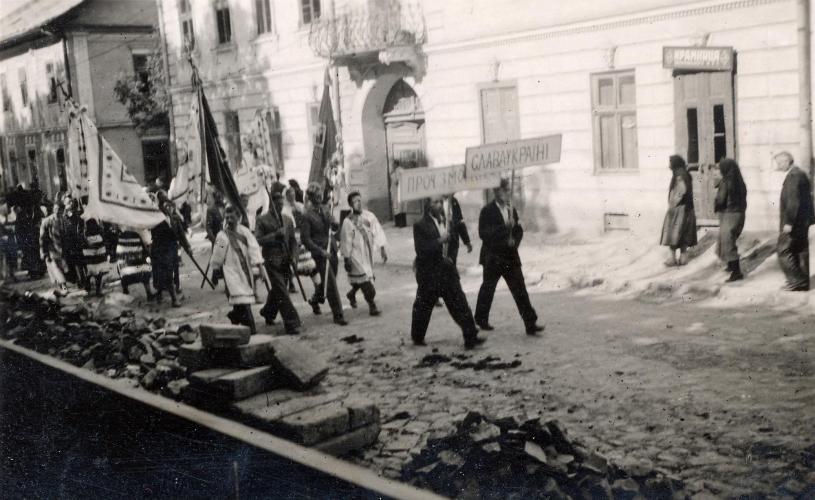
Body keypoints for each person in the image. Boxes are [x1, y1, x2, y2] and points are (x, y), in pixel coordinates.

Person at [411, 195, 485, 349]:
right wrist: (439, 241)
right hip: (429, 274)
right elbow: (421, 250)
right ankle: (417, 336)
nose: (439, 205)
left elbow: (453, 242)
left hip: (446, 271)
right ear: (428, 204)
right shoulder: (420, 225)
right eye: (435, 202)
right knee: (423, 306)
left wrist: (451, 257)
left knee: (459, 302)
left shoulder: (447, 221)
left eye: (440, 202)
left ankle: (470, 335)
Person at [474, 178, 544, 336]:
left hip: (509, 256)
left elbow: (518, 230)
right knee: (488, 289)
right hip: (493, 257)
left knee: (520, 289)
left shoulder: (511, 210)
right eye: (504, 190)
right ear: (496, 191)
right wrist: (503, 227)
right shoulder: (487, 211)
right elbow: (483, 234)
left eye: (508, 190)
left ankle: (530, 323)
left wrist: (514, 242)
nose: (507, 193)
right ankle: (481, 319)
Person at [210, 204, 265, 335]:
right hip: (231, 272)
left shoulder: (245, 232)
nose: (229, 220)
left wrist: (260, 266)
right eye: (227, 217)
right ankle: (250, 329)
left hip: (245, 270)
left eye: (232, 217)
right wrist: (216, 269)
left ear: (238, 217)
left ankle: (235, 317)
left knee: (243, 299)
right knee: (241, 300)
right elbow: (217, 254)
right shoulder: (221, 236)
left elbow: (254, 248)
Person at [300, 182, 348, 325]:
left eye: (320, 194)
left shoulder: (326, 208)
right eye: (316, 195)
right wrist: (320, 251)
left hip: (331, 247)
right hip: (320, 252)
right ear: (311, 197)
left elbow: (333, 227)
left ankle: (315, 299)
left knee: (329, 279)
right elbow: (306, 239)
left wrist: (335, 224)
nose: (319, 197)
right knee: (331, 283)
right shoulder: (307, 216)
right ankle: (338, 315)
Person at [254, 191, 302, 335]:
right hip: (271, 260)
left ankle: (268, 312)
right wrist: (275, 235)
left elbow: (293, 242)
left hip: (286, 260)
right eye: (277, 204)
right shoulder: (262, 220)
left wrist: (294, 257)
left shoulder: (287, 219)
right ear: (271, 204)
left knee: (278, 290)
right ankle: (291, 323)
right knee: (282, 290)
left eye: (282, 204)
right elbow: (258, 240)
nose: (280, 207)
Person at [340, 191, 387, 315]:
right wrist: (347, 258)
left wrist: (382, 249)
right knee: (367, 283)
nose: (358, 203)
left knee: (363, 279)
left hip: (367, 253)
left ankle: (351, 294)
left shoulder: (370, 216)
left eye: (359, 200)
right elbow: (346, 241)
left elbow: (378, 231)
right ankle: (372, 306)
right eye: (355, 201)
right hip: (355, 255)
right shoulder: (348, 222)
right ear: (350, 204)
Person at [775, 151, 815, 291]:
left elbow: (793, 202)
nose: (778, 166)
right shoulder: (800, 174)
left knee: (783, 250)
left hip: (794, 222)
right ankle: (803, 282)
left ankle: (796, 281)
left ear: (787, 161)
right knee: (800, 250)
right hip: (803, 221)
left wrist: (789, 223)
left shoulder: (792, 176)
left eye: (779, 163)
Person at [151, 200, 190, 307]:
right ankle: (174, 299)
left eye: (169, 206)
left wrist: (187, 247)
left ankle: (160, 293)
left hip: (172, 250)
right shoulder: (156, 220)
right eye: (165, 206)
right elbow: (154, 236)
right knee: (166, 273)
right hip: (160, 250)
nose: (168, 208)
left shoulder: (175, 219)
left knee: (170, 271)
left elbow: (181, 235)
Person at [660, 155, 698, 266]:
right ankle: (683, 257)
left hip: (679, 209)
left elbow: (682, 190)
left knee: (673, 232)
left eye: (670, 163)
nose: (669, 165)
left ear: (675, 164)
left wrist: (673, 203)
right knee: (684, 233)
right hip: (688, 208)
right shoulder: (685, 173)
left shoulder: (679, 175)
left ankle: (672, 258)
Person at [714, 158, 747, 282]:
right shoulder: (740, 181)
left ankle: (736, 273)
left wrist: (716, 205)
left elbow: (721, 200)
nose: (719, 171)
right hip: (739, 215)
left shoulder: (726, 182)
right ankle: (730, 266)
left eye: (720, 168)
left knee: (727, 243)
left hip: (729, 214)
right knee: (729, 240)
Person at [39, 198, 68, 295]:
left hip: (63, 249)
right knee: (56, 268)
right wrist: (43, 252)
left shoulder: (64, 220)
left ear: (62, 210)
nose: (57, 211)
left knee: (61, 268)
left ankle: (62, 286)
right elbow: (42, 238)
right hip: (51, 249)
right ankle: (64, 286)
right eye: (55, 209)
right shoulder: (47, 221)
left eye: (59, 209)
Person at [116, 227, 155, 299]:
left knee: (120, 268)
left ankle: (125, 291)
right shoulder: (136, 235)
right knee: (145, 269)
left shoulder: (121, 237)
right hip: (138, 266)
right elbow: (144, 251)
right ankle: (148, 293)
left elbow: (119, 254)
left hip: (125, 268)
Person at [61, 196, 88, 288]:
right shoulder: (64, 215)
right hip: (69, 243)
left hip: (78, 241)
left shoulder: (76, 213)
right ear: (64, 203)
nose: (71, 203)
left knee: (82, 262)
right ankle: (81, 281)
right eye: (68, 202)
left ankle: (84, 280)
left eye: (71, 202)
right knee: (75, 263)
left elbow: (81, 225)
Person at [83, 217, 110, 296]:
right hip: (99, 258)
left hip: (90, 259)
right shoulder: (99, 235)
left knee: (89, 273)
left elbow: (84, 248)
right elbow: (103, 245)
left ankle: (87, 288)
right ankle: (98, 290)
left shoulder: (86, 235)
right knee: (98, 275)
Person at [0, 201, 18, 282]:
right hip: (3, 238)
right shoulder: (1, 215)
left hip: (11, 238)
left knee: (12, 256)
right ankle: (3, 276)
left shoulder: (12, 213)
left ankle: (12, 274)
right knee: (4, 257)